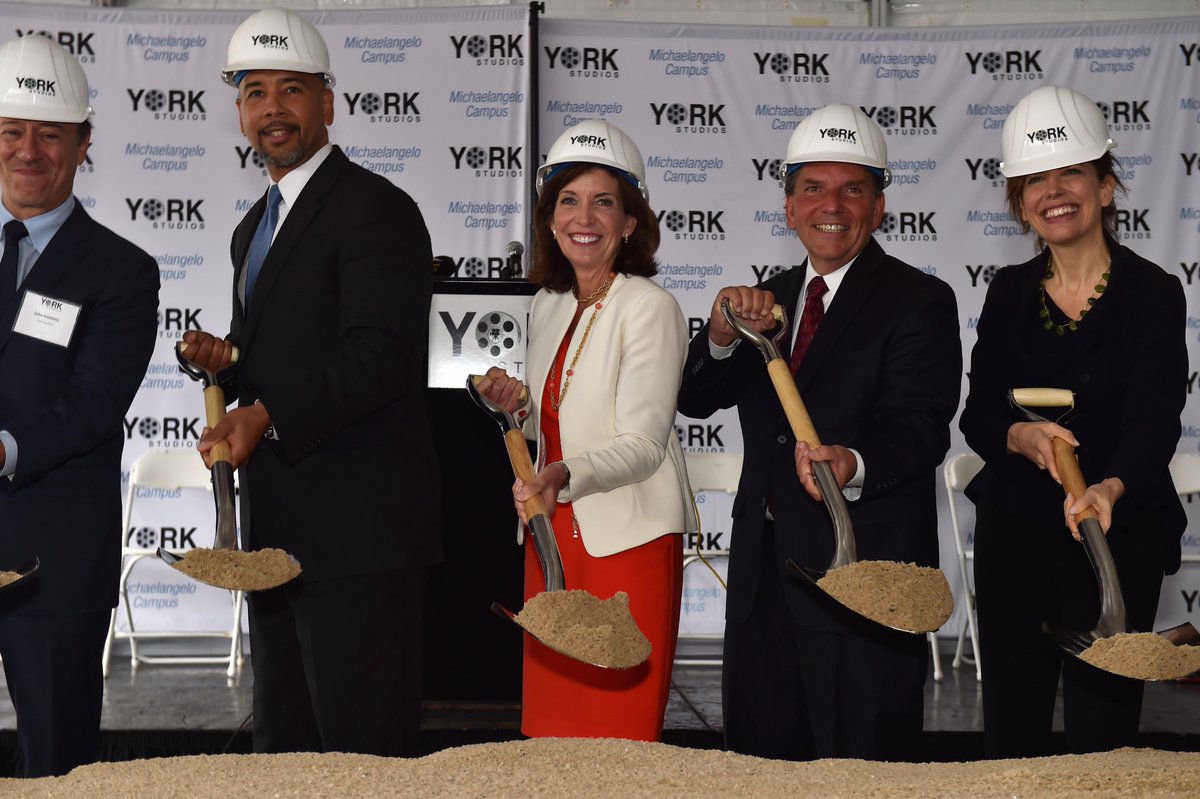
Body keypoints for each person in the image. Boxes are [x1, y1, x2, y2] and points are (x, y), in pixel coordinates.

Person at [179, 8, 440, 757]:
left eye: (290, 90)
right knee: (284, 757)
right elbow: (284, 355)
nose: (273, 109)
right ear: (239, 111)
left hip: (360, 541)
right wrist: (225, 362)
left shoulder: (378, 210)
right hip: (280, 535)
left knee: (364, 761)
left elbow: (383, 356)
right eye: (254, 92)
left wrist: (264, 412)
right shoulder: (252, 227)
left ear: (327, 101)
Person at [677, 104, 961, 761]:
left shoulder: (919, 300)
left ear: (879, 207)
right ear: (788, 208)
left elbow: (922, 428)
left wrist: (853, 462)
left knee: (862, 767)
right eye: (812, 188)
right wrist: (719, 336)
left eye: (852, 189)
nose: (831, 205)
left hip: (863, 575)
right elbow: (695, 399)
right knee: (762, 767)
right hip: (763, 584)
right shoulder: (763, 302)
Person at [959, 85, 1188, 758]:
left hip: (1117, 533)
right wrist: (1021, 436)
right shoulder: (1007, 292)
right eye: (1034, 180)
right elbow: (979, 413)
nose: (1053, 191)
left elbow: (1155, 419)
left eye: (1071, 173)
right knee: (1012, 732)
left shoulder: (1154, 292)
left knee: (1104, 736)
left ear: (1106, 187)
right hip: (1016, 535)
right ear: (1020, 202)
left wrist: (1109, 487)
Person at [476, 119, 696, 741]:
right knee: (554, 732)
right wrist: (515, 408)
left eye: (605, 202)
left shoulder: (651, 307)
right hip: (550, 538)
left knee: (618, 735)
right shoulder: (547, 303)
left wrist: (561, 474)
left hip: (627, 543)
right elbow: (555, 421)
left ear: (629, 223)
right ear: (550, 219)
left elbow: (644, 446)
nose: (585, 217)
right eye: (569, 200)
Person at [0, 35, 158, 777]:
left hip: (54, 560)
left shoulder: (122, 270)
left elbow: (95, 402)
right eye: (12, 130)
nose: (28, 151)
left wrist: (3, 449)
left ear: (83, 143)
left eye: (49, 134)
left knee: (57, 766)